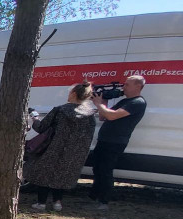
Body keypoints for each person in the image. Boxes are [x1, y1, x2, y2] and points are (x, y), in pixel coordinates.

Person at [24, 82, 98, 211]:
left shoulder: (60, 110)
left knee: (45, 174)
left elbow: (41, 128)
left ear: (74, 94)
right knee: (62, 175)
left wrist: (34, 117)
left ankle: (41, 203)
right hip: (75, 151)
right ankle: (57, 202)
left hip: (53, 148)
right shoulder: (90, 115)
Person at [89, 75, 147, 209]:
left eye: (127, 84)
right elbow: (104, 116)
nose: (123, 87)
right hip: (105, 140)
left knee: (105, 170)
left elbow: (112, 115)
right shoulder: (124, 101)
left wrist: (98, 104)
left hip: (115, 142)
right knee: (97, 168)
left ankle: (104, 202)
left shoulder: (137, 102)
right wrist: (103, 100)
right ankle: (94, 197)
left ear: (137, 86)